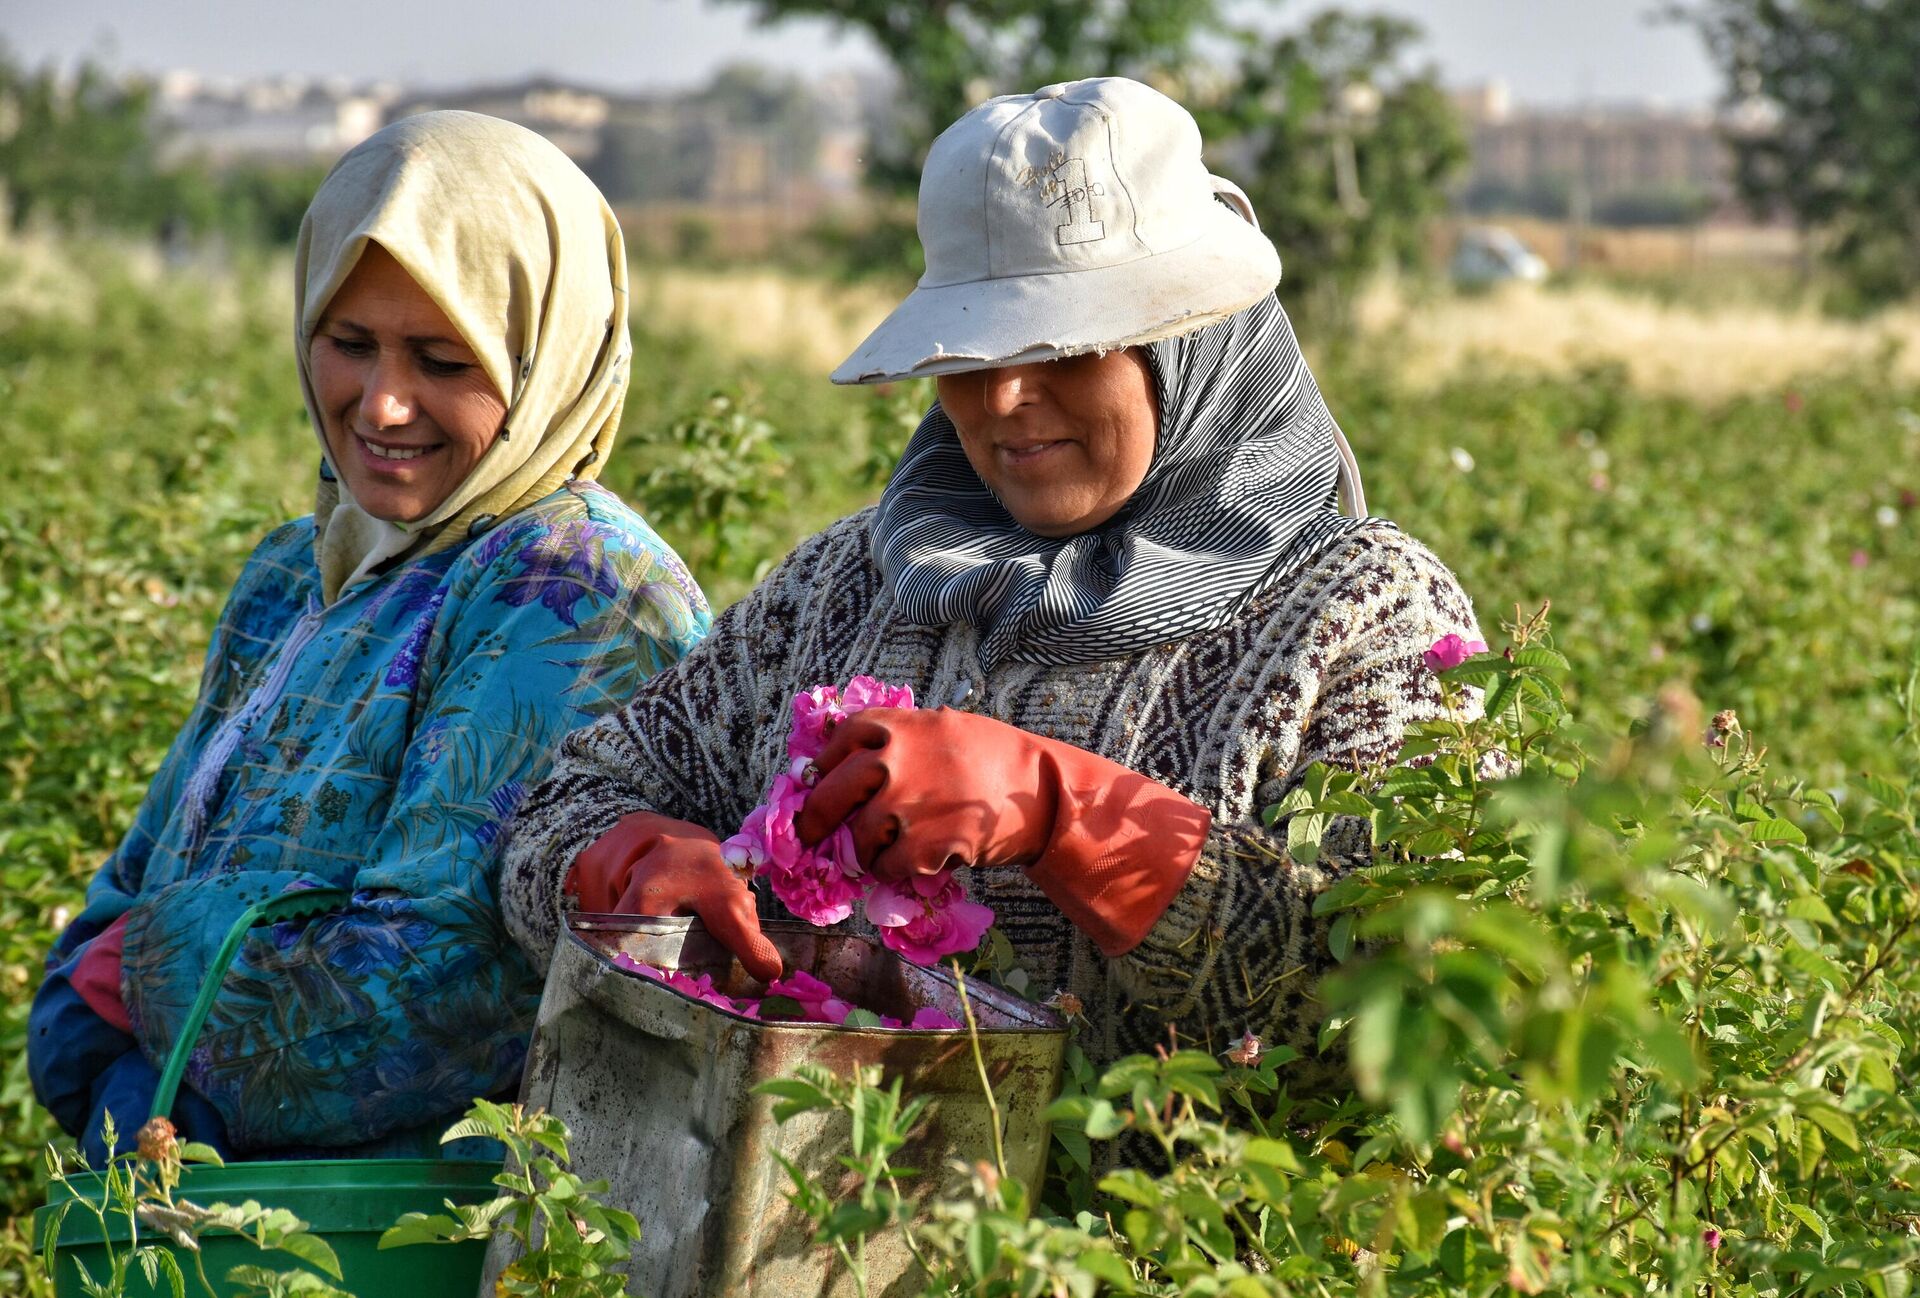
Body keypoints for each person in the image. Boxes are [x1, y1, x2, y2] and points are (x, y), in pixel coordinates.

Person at [500, 78, 1487, 1071]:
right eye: (973, 350)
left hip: (1170, 1228)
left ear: (1192, 341)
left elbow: (1432, 1003)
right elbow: (576, 798)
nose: (1006, 395)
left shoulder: (1366, 616)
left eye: (1065, 343)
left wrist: (1069, 815)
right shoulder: (849, 583)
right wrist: (625, 861)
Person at [28, 111, 711, 1163]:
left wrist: (155, 966)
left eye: (442, 359)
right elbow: (96, 943)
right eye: (349, 343)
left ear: (547, 358)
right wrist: (128, 1013)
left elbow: (399, 1014)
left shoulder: (576, 591)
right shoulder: (292, 574)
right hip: (207, 1199)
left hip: (414, 1238)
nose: (382, 403)